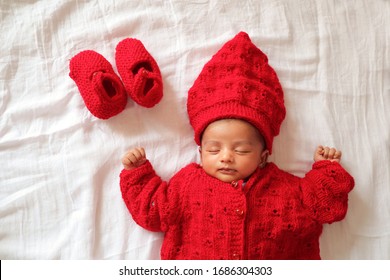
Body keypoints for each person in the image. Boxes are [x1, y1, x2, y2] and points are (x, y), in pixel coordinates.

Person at [119, 32, 354, 259]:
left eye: (241, 150)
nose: (226, 157)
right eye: (214, 149)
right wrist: (138, 174)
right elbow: (153, 212)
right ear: (200, 153)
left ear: (263, 157)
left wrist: (326, 172)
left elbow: (327, 209)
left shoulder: (290, 190)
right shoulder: (186, 186)